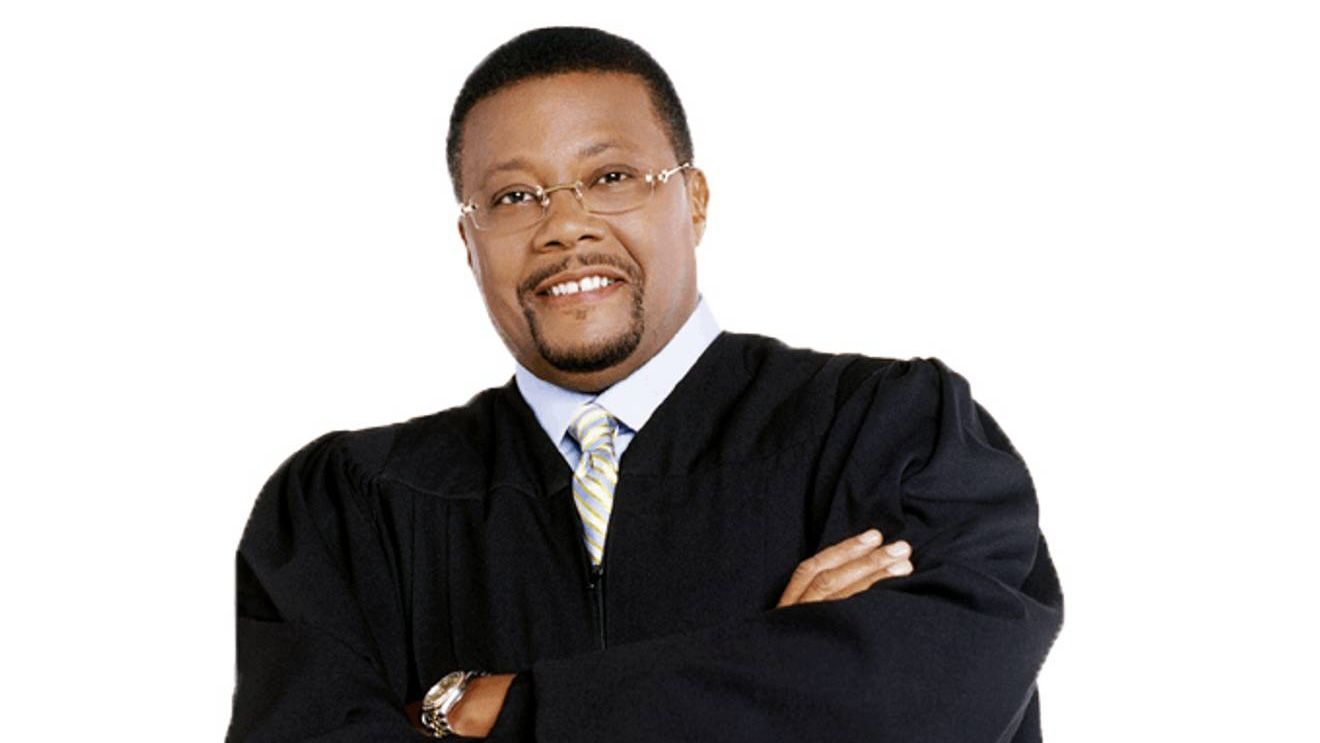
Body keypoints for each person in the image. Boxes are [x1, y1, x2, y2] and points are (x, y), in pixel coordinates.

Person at [227, 26, 1063, 742]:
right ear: (468, 242)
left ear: (694, 199)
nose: (564, 225)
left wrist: (489, 709)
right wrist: (779, 676)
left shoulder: (891, 437)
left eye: (611, 178)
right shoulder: (348, 511)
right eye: (513, 196)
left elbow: (931, 703)